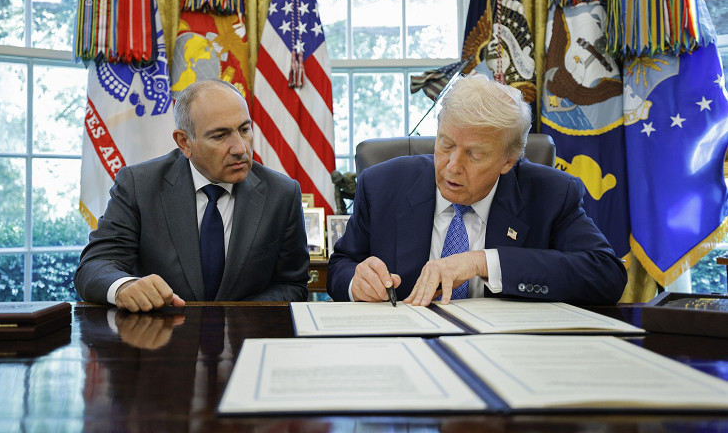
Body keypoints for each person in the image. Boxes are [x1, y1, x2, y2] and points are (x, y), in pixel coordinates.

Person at [326, 73, 627, 306]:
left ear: (509, 160)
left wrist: (482, 262)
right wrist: (356, 283)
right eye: (445, 144)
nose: (452, 166)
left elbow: (606, 275)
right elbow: (341, 266)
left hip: (506, 351)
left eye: (475, 154)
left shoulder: (550, 194)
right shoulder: (382, 185)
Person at [75, 79, 310, 311]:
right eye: (220, 136)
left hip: (246, 331)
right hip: (162, 331)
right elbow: (95, 265)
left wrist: (238, 318)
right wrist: (124, 286)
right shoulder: (139, 186)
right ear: (184, 142)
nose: (240, 148)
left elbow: (292, 284)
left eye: (244, 129)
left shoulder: (282, 193)